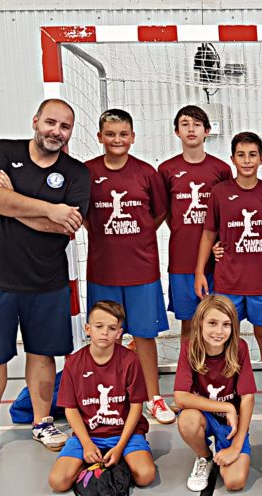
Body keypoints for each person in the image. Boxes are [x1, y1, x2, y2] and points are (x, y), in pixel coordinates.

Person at [0, 99, 90, 467]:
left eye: (64, 127)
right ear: (35, 121)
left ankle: (42, 422)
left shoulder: (76, 174)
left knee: (42, 355)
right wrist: (50, 207)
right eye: (50, 122)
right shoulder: (1, 152)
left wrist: (12, 201)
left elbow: (67, 226)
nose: (56, 131)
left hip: (46, 283)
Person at [83, 109, 173, 425]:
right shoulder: (87, 172)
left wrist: (140, 236)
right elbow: (83, 216)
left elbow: (159, 214)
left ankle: (154, 397)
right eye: (110, 134)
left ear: (133, 137)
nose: (117, 140)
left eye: (123, 134)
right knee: (107, 337)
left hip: (141, 272)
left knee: (144, 336)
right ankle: (114, 396)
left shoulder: (147, 173)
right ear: (100, 137)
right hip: (103, 272)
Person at [194, 132, 262, 363]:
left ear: (261, 159)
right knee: (223, 338)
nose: (247, 160)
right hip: (228, 281)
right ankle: (228, 382)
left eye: (252, 155)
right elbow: (208, 234)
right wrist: (199, 271)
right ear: (232, 159)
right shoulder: (219, 192)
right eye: (241, 155)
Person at [48, 301, 155, 491]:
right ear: (88, 329)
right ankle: (93, 460)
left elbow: (136, 407)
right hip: (88, 435)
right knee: (58, 482)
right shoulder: (73, 363)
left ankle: (118, 458)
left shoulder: (130, 360)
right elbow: (70, 409)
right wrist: (87, 444)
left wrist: (120, 446)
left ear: (119, 333)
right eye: (99, 326)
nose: (105, 332)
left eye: (112, 328)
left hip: (125, 434)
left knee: (145, 476)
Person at [158, 105, 232, 341]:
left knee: (218, 320)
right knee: (189, 324)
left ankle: (219, 364)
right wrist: (182, 230)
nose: (191, 129)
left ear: (207, 131)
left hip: (215, 262)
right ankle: (188, 365)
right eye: (185, 124)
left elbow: (228, 213)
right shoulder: (166, 170)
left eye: (197, 124)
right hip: (182, 260)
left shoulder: (221, 169)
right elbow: (166, 211)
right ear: (176, 131)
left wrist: (218, 242)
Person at [174, 295, 257, 492]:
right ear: (199, 323)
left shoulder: (240, 348)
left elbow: (248, 398)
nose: (219, 331)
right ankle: (205, 456)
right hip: (204, 417)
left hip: (231, 424)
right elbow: (180, 397)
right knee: (187, 420)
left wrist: (235, 447)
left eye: (226, 324)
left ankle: (226, 444)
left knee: (235, 482)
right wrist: (227, 407)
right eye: (212, 323)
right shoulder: (189, 348)